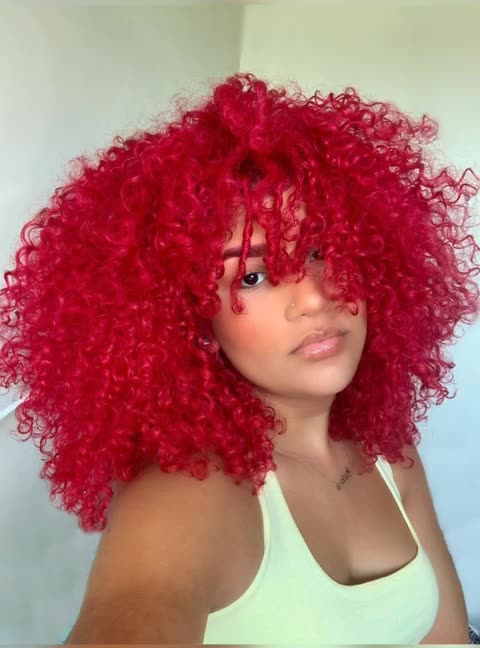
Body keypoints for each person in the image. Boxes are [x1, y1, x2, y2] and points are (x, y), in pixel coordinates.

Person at [1, 72, 479, 644]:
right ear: (192, 319)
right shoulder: (187, 497)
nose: (314, 297)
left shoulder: (390, 454)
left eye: (321, 250)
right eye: (252, 276)